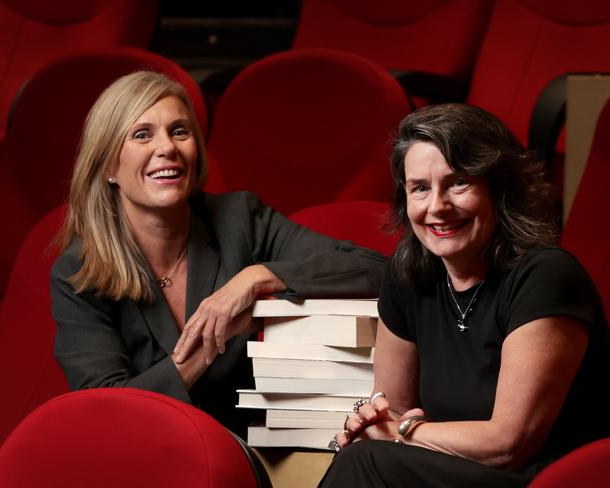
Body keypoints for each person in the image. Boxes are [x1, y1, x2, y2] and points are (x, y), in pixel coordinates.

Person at [50, 70, 386, 436]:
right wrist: (214, 336)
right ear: (107, 166)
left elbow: (375, 269)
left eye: (179, 131)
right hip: (147, 455)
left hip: (251, 451)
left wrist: (258, 277)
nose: (167, 147)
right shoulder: (77, 271)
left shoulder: (239, 218)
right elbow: (110, 413)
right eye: (142, 135)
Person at [321, 103, 610, 487]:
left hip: (546, 478)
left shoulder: (546, 276)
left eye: (459, 182)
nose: (437, 207)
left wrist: (399, 433)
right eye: (420, 188)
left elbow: (509, 444)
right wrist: (376, 427)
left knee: (367, 464)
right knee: (364, 457)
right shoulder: (407, 277)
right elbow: (396, 409)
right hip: (452, 471)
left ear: (498, 188)